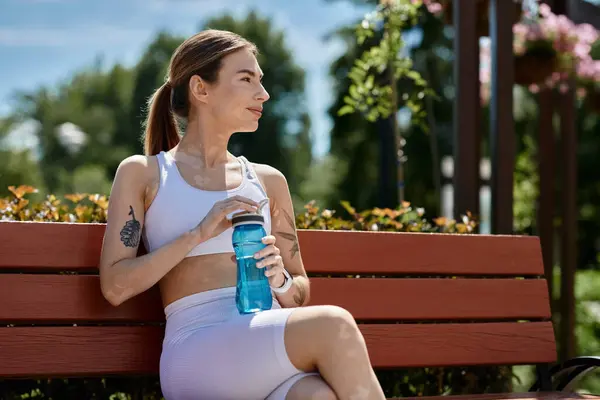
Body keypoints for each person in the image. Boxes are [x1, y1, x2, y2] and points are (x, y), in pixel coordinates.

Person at [98, 29, 386, 400]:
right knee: (334, 324)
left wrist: (279, 277)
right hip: (198, 351)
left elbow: (299, 291)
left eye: (261, 81)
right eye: (247, 79)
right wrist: (198, 233)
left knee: (318, 397)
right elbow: (114, 286)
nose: (263, 94)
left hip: (261, 339)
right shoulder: (145, 173)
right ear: (201, 89)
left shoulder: (268, 181)